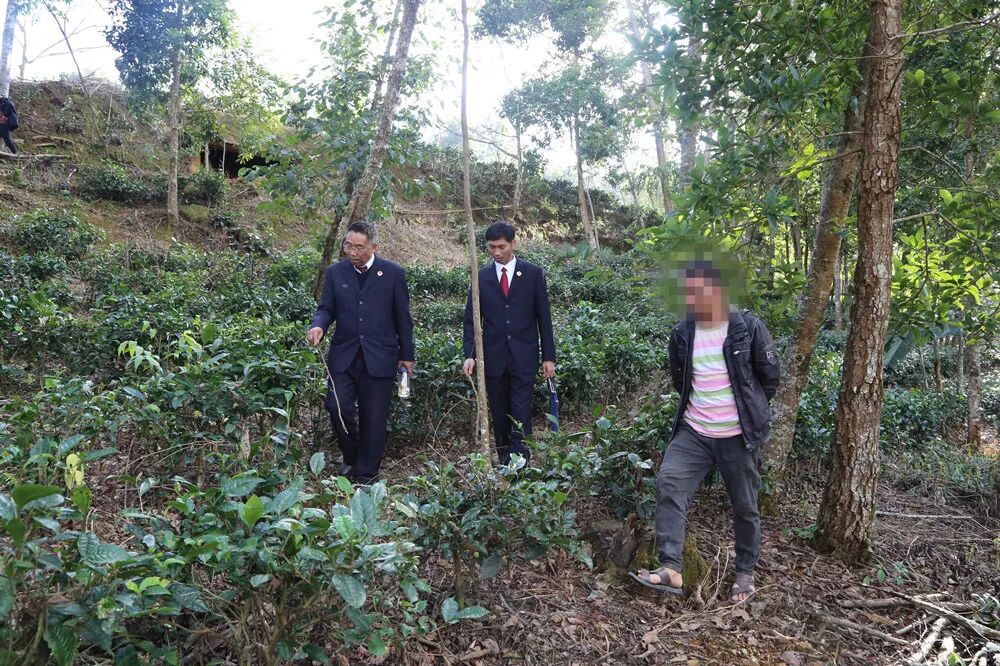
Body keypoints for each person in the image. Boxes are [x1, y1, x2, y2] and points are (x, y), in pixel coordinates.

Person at [631, 260, 780, 603]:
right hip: (694, 431)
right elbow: (680, 379)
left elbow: (769, 378)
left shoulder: (748, 328)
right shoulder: (683, 332)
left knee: (745, 505)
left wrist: (745, 412)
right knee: (670, 483)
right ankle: (671, 567)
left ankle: (745, 573)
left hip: (738, 435)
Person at [307, 221, 415, 484]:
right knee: (337, 407)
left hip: (380, 357)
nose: (352, 252)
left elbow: (403, 318)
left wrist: (407, 356)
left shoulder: (393, 274)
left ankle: (366, 475)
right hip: (344, 355)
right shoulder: (336, 273)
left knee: (374, 417)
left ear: (373, 247)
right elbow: (326, 308)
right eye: (348, 246)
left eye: (359, 247)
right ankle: (352, 455)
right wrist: (318, 325)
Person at [463, 221, 556, 464]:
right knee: (499, 411)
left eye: (501, 247)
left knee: (521, 411)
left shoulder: (533, 274)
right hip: (493, 357)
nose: (496, 252)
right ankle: (505, 459)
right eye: (491, 247)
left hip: (524, 355)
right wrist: (470, 354)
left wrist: (548, 357)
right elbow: (472, 320)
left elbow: (544, 318)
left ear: (513, 243)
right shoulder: (481, 277)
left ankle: (520, 463)